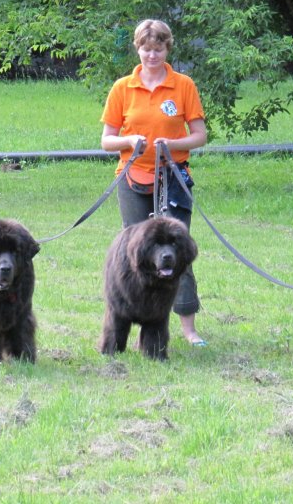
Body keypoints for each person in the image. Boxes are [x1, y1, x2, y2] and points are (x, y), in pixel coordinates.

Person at [100, 19, 208, 347]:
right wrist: (130, 141)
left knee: (177, 252)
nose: (152, 55)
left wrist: (169, 145)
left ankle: (188, 328)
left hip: (173, 179)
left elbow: (200, 136)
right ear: (138, 48)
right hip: (133, 179)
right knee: (134, 255)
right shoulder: (122, 87)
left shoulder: (183, 85)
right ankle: (129, 323)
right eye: (146, 48)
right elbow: (107, 141)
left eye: (158, 48)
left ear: (167, 48)